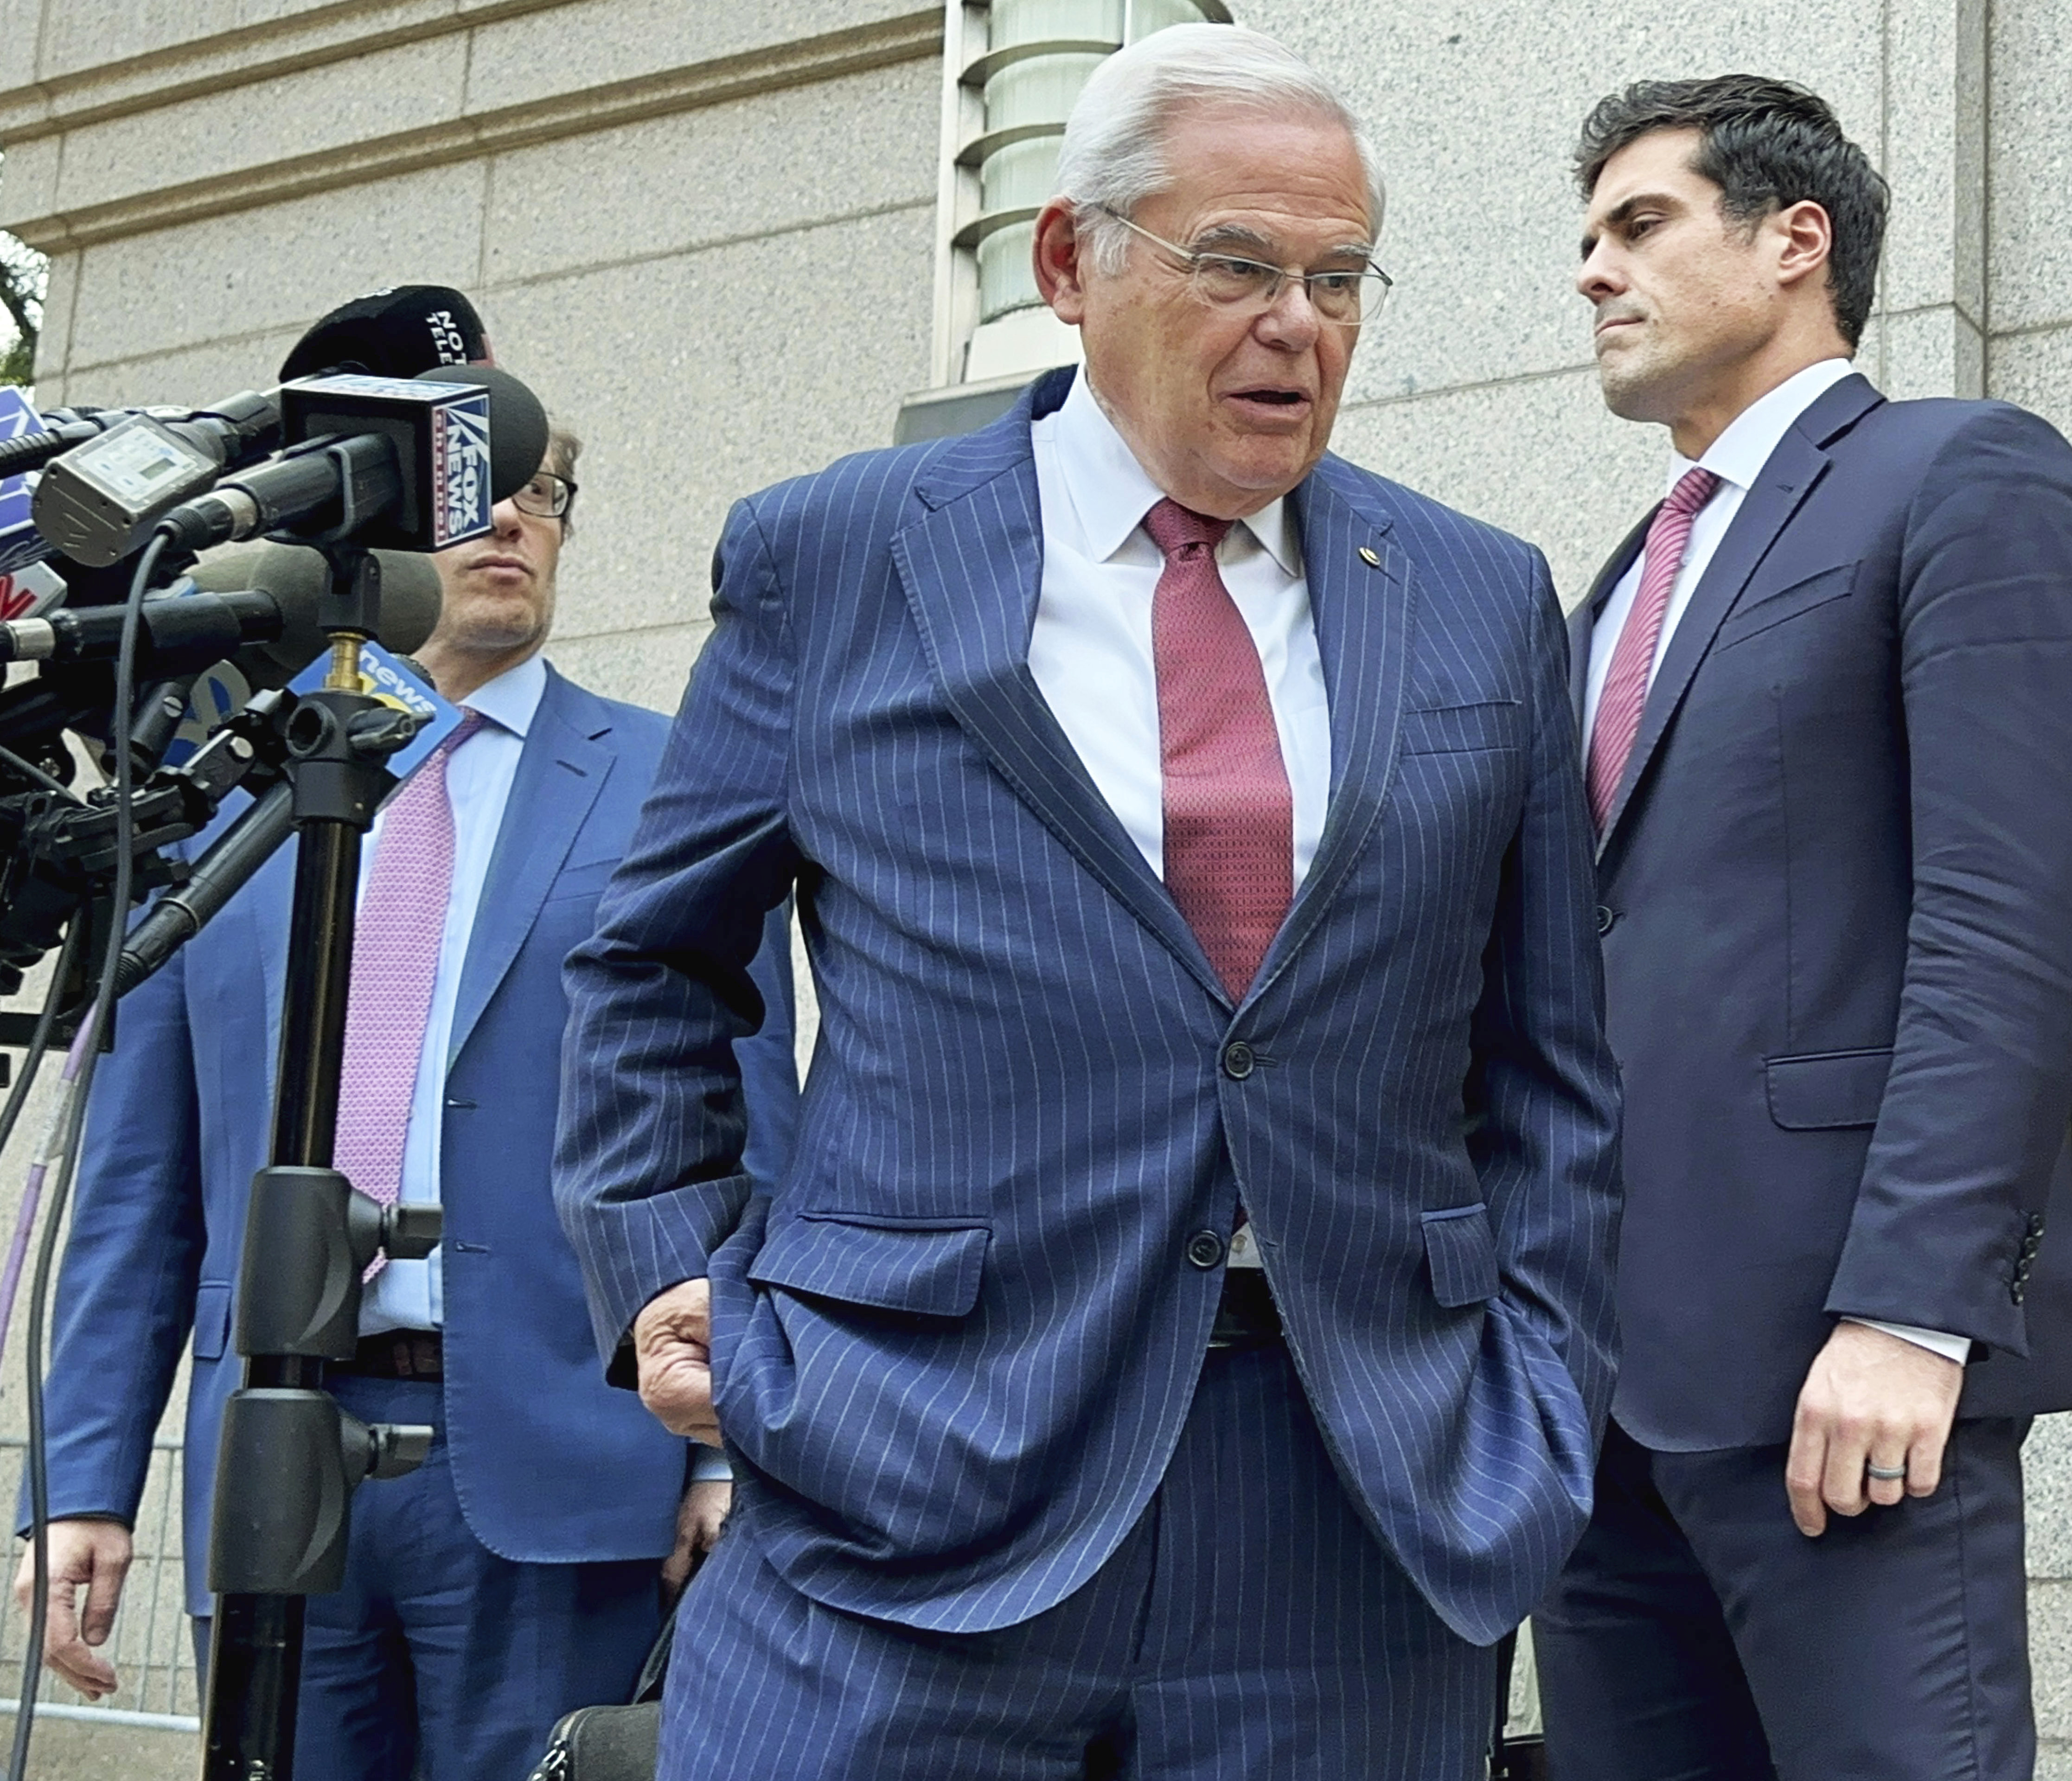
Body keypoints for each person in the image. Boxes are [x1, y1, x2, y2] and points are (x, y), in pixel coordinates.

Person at [553, 24, 1620, 1781]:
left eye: (1341, 277)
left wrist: (1539, 1392)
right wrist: (682, 1280)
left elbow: (1552, 1064)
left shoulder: (1477, 596)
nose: (1299, 322)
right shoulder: (840, 554)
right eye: (1239, 265)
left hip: (1356, 1502)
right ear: (1070, 261)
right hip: (904, 1478)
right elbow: (657, 965)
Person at [18, 423, 801, 1781]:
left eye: (544, 492)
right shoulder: (219, 799)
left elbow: (747, 1124)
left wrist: (733, 1448)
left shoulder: (673, 775)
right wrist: (81, 1480)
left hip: (573, 1459)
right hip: (270, 1452)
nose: (513, 520)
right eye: (467, 494)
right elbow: (142, 1175)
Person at [1531, 74, 2072, 1781]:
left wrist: (1912, 1310)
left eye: (1639, 225)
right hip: (1597, 1400)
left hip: (1844, 1383)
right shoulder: (1613, 591)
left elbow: (2014, 926)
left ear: (1798, 241)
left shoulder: (1962, 476)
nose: (1593, 271)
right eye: (1585, 239)